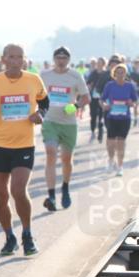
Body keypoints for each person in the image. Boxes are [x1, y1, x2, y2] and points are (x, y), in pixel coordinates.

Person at [0, 44, 49, 257]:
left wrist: (40, 115)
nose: (16, 61)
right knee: (0, 196)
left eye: (19, 57)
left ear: (24, 59)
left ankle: (27, 233)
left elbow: (45, 102)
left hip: (24, 145)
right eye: (11, 57)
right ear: (3, 59)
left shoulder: (33, 80)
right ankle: (9, 237)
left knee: (18, 190)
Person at [39, 47, 89, 211]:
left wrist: (75, 106)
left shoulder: (75, 75)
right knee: (51, 153)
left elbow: (86, 97)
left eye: (64, 57)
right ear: (54, 59)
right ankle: (51, 195)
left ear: (68, 59)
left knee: (67, 159)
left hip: (69, 123)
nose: (61, 60)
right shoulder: (44, 75)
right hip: (50, 121)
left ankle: (65, 188)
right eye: (58, 57)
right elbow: (35, 94)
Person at [102, 63, 139, 176]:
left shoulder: (130, 86)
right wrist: (104, 105)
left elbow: (136, 101)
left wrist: (131, 103)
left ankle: (120, 166)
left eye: (122, 72)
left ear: (125, 73)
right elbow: (102, 99)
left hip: (125, 118)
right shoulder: (109, 85)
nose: (120, 74)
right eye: (117, 72)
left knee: (121, 143)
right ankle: (111, 161)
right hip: (112, 117)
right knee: (111, 141)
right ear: (114, 74)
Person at [86, 57, 110, 143]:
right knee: (93, 115)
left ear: (104, 64)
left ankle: (100, 134)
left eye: (100, 63)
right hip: (93, 97)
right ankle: (93, 131)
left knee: (101, 115)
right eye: (98, 63)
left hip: (102, 97)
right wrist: (90, 86)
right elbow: (88, 83)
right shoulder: (93, 73)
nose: (99, 64)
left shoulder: (106, 73)